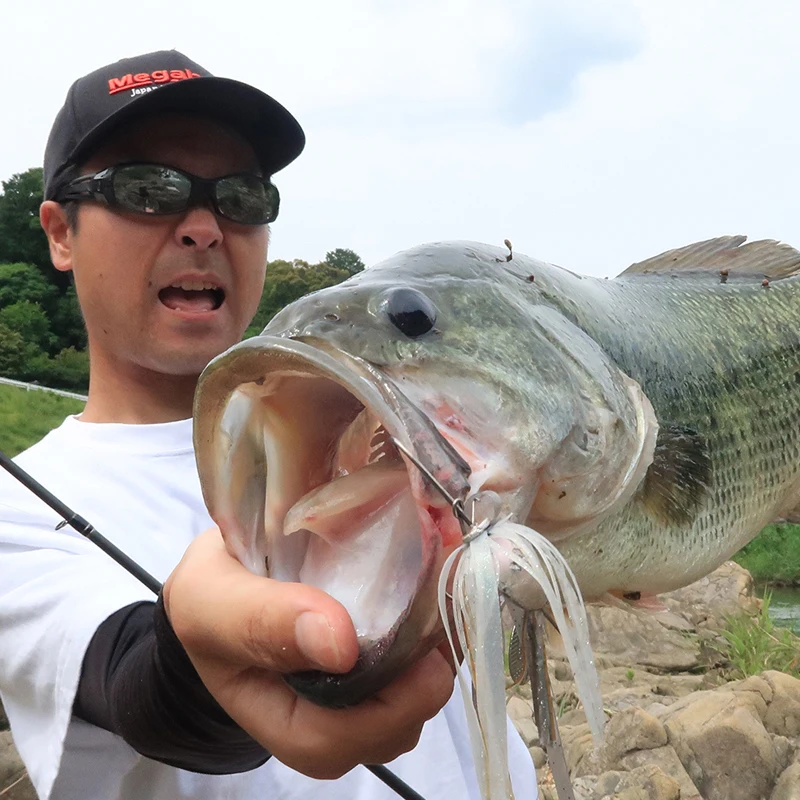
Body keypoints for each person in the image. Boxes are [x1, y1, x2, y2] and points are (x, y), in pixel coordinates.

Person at [0, 51, 538, 800]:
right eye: (148, 189)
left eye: (241, 196)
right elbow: (133, 680)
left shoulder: (410, 430)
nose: (203, 227)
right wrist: (203, 667)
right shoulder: (17, 515)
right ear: (59, 233)